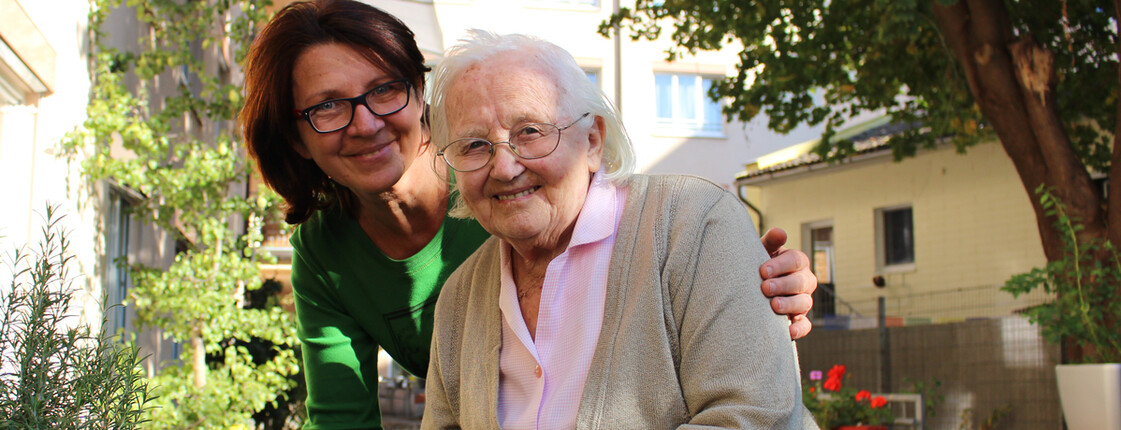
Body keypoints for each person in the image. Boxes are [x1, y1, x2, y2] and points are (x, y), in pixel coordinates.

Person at [239, 0, 817, 428]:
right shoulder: (361, 261)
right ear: (295, 137)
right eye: (327, 106)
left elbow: (745, 397)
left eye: (384, 90)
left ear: (417, 94)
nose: (365, 123)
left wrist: (737, 274)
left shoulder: (669, 220)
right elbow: (344, 417)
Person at [421, 30, 815, 429]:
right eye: (473, 145)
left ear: (592, 140)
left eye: (530, 132)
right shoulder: (459, 297)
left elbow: (754, 416)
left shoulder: (695, 226)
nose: (504, 168)